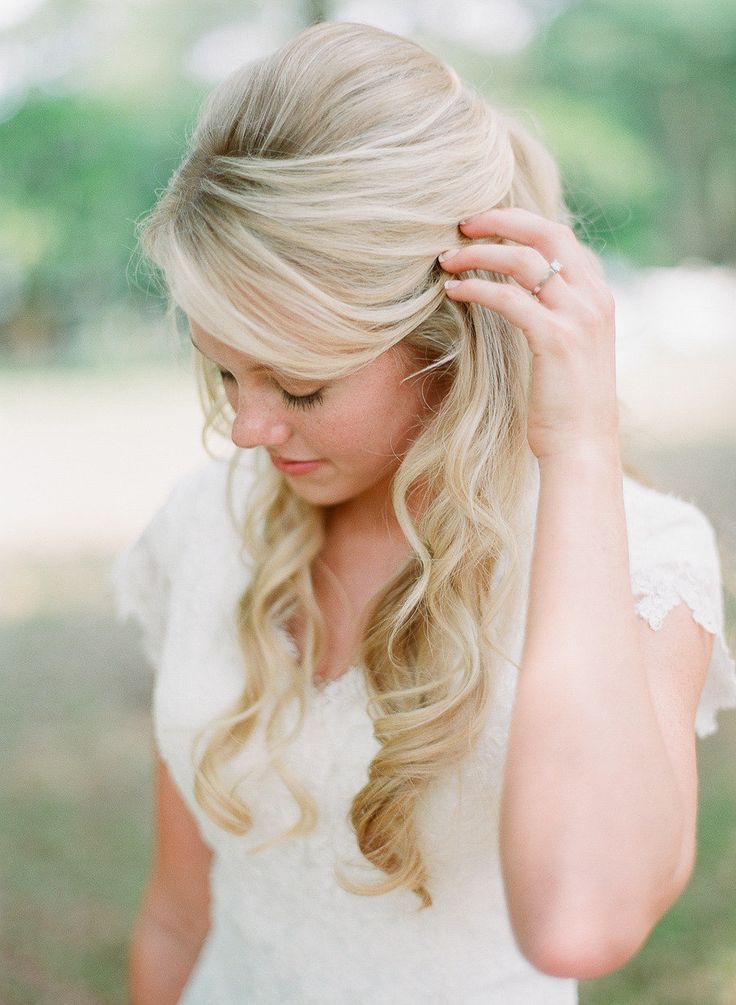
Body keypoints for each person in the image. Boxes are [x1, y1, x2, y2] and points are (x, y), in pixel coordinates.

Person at [110, 20, 736, 1005]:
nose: (245, 430)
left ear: (451, 339)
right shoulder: (204, 521)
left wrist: (576, 451)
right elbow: (180, 910)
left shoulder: (645, 561)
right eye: (222, 369)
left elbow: (581, 919)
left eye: (300, 386)